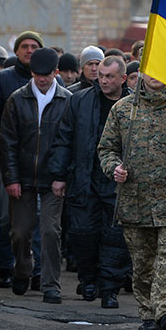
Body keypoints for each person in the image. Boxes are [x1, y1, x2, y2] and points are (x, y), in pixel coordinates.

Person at [98, 72, 166, 330]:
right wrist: (113, 168)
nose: (156, 76)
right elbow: (106, 148)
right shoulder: (124, 109)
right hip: (134, 202)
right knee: (142, 264)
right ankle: (149, 314)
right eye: (150, 70)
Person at [48, 56, 133, 308]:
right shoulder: (81, 101)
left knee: (115, 238)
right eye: (101, 76)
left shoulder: (133, 106)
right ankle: (88, 280)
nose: (104, 81)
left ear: (123, 79)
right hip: (85, 178)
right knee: (83, 233)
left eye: (109, 77)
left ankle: (110, 289)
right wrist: (59, 175)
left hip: (119, 182)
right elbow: (65, 138)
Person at [0, 48, 71, 303]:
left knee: (51, 230)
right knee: (19, 231)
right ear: (32, 73)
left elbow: (68, 142)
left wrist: (61, 175)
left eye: (48, 74)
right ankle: (23, 270)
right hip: (24, 176)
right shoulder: (17, 99)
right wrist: (11, 178)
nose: (42, 79)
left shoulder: (66, 100)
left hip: (53, 178)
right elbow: (8, 141)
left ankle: (51, 284)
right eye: (38, 74)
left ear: (56, 73)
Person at [0, 30, 45, 290]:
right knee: (8, 221)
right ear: (16, 51)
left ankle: (34, 271)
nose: (29, 50)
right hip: (11, 163)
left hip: (40, 167)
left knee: (37, 221)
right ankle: (7, 265)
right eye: (24, 46)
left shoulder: (48, 84)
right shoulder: (4, 81)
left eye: (34, 46)